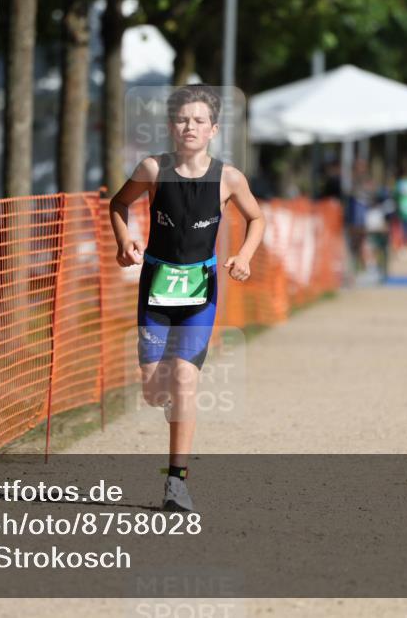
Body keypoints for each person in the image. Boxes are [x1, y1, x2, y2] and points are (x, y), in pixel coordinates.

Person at [109, 85, 265, 512]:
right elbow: (118, 204)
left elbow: (256, 218)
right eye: (182, 119)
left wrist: (245, 257)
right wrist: (125, 241)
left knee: (184, 377)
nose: (190, 127)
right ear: (170, 126)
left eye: (199, 120)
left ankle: (176, 483)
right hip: (157, 289)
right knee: (154, 391)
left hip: (201, 290)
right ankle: (169, 403)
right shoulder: (153, 169)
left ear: (213, 129)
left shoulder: (229, 178)